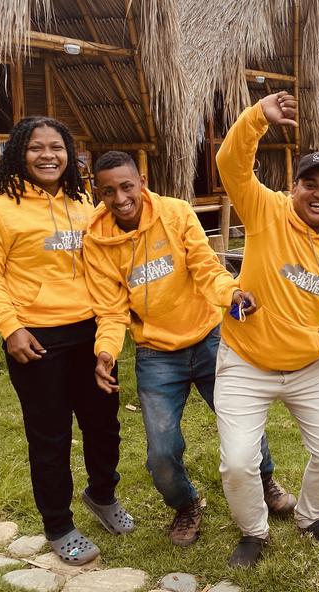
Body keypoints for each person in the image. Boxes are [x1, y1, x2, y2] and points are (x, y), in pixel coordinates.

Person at [82, 151, 296, 547]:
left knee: (242, 425)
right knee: (161, 453)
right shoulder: (97, 243)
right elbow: (111, 311)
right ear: (100, 193)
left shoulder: (176, 214)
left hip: (210, 339)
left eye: (127, 186)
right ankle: (185, 504)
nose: (120, 197)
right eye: (108, 191)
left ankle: (265, 481)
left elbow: (205, 268)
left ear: (141, 181)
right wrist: (106, 353)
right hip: (157, 355)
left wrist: (231, 294)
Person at [214, 91, 319, 567]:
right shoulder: (264, 211)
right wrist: (257, 120)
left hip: (310, 365)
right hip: (245, 361)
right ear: (293, 186)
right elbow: (231, 165)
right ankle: (254, 531)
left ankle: (310, 516)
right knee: (239, 461)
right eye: (310, 183)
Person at [0, 117, 131, 566]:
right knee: (51, 437)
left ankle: (102, 495)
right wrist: (10, 327)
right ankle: (58, 523)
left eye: (56, 147)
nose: (47, 155)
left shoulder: (84, 204)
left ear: (69, 153)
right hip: (36, 340)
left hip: (92, 334)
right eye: (36, 147)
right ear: (20, 152)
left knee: (104, 425)